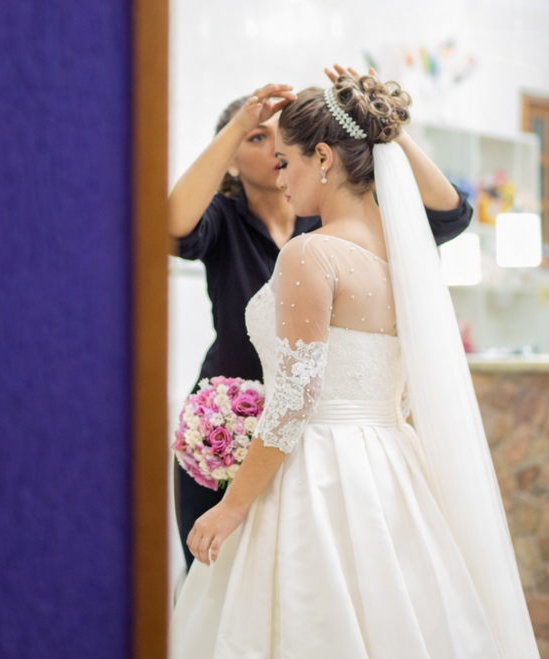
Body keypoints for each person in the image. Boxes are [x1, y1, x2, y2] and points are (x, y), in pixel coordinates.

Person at [170, 71, 539, 657]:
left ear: (322, 157)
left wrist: (232, 507)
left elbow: (295, 400)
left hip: (315, 467)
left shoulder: (311, 252)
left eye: (286, 161)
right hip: (392, 462)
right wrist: (384, 125)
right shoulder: (403, 250)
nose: (281, 177)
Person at [169, 72, 475, 568]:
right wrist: (237, 124)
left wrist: (382, 125)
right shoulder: (225, 219)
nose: (277, 163)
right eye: (257, 139)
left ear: (323, 157)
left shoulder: (324, 232)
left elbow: (451, 214)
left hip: (312, 443)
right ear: (231, 159)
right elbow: (171, 228)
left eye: (285, 153)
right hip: (232, 422)